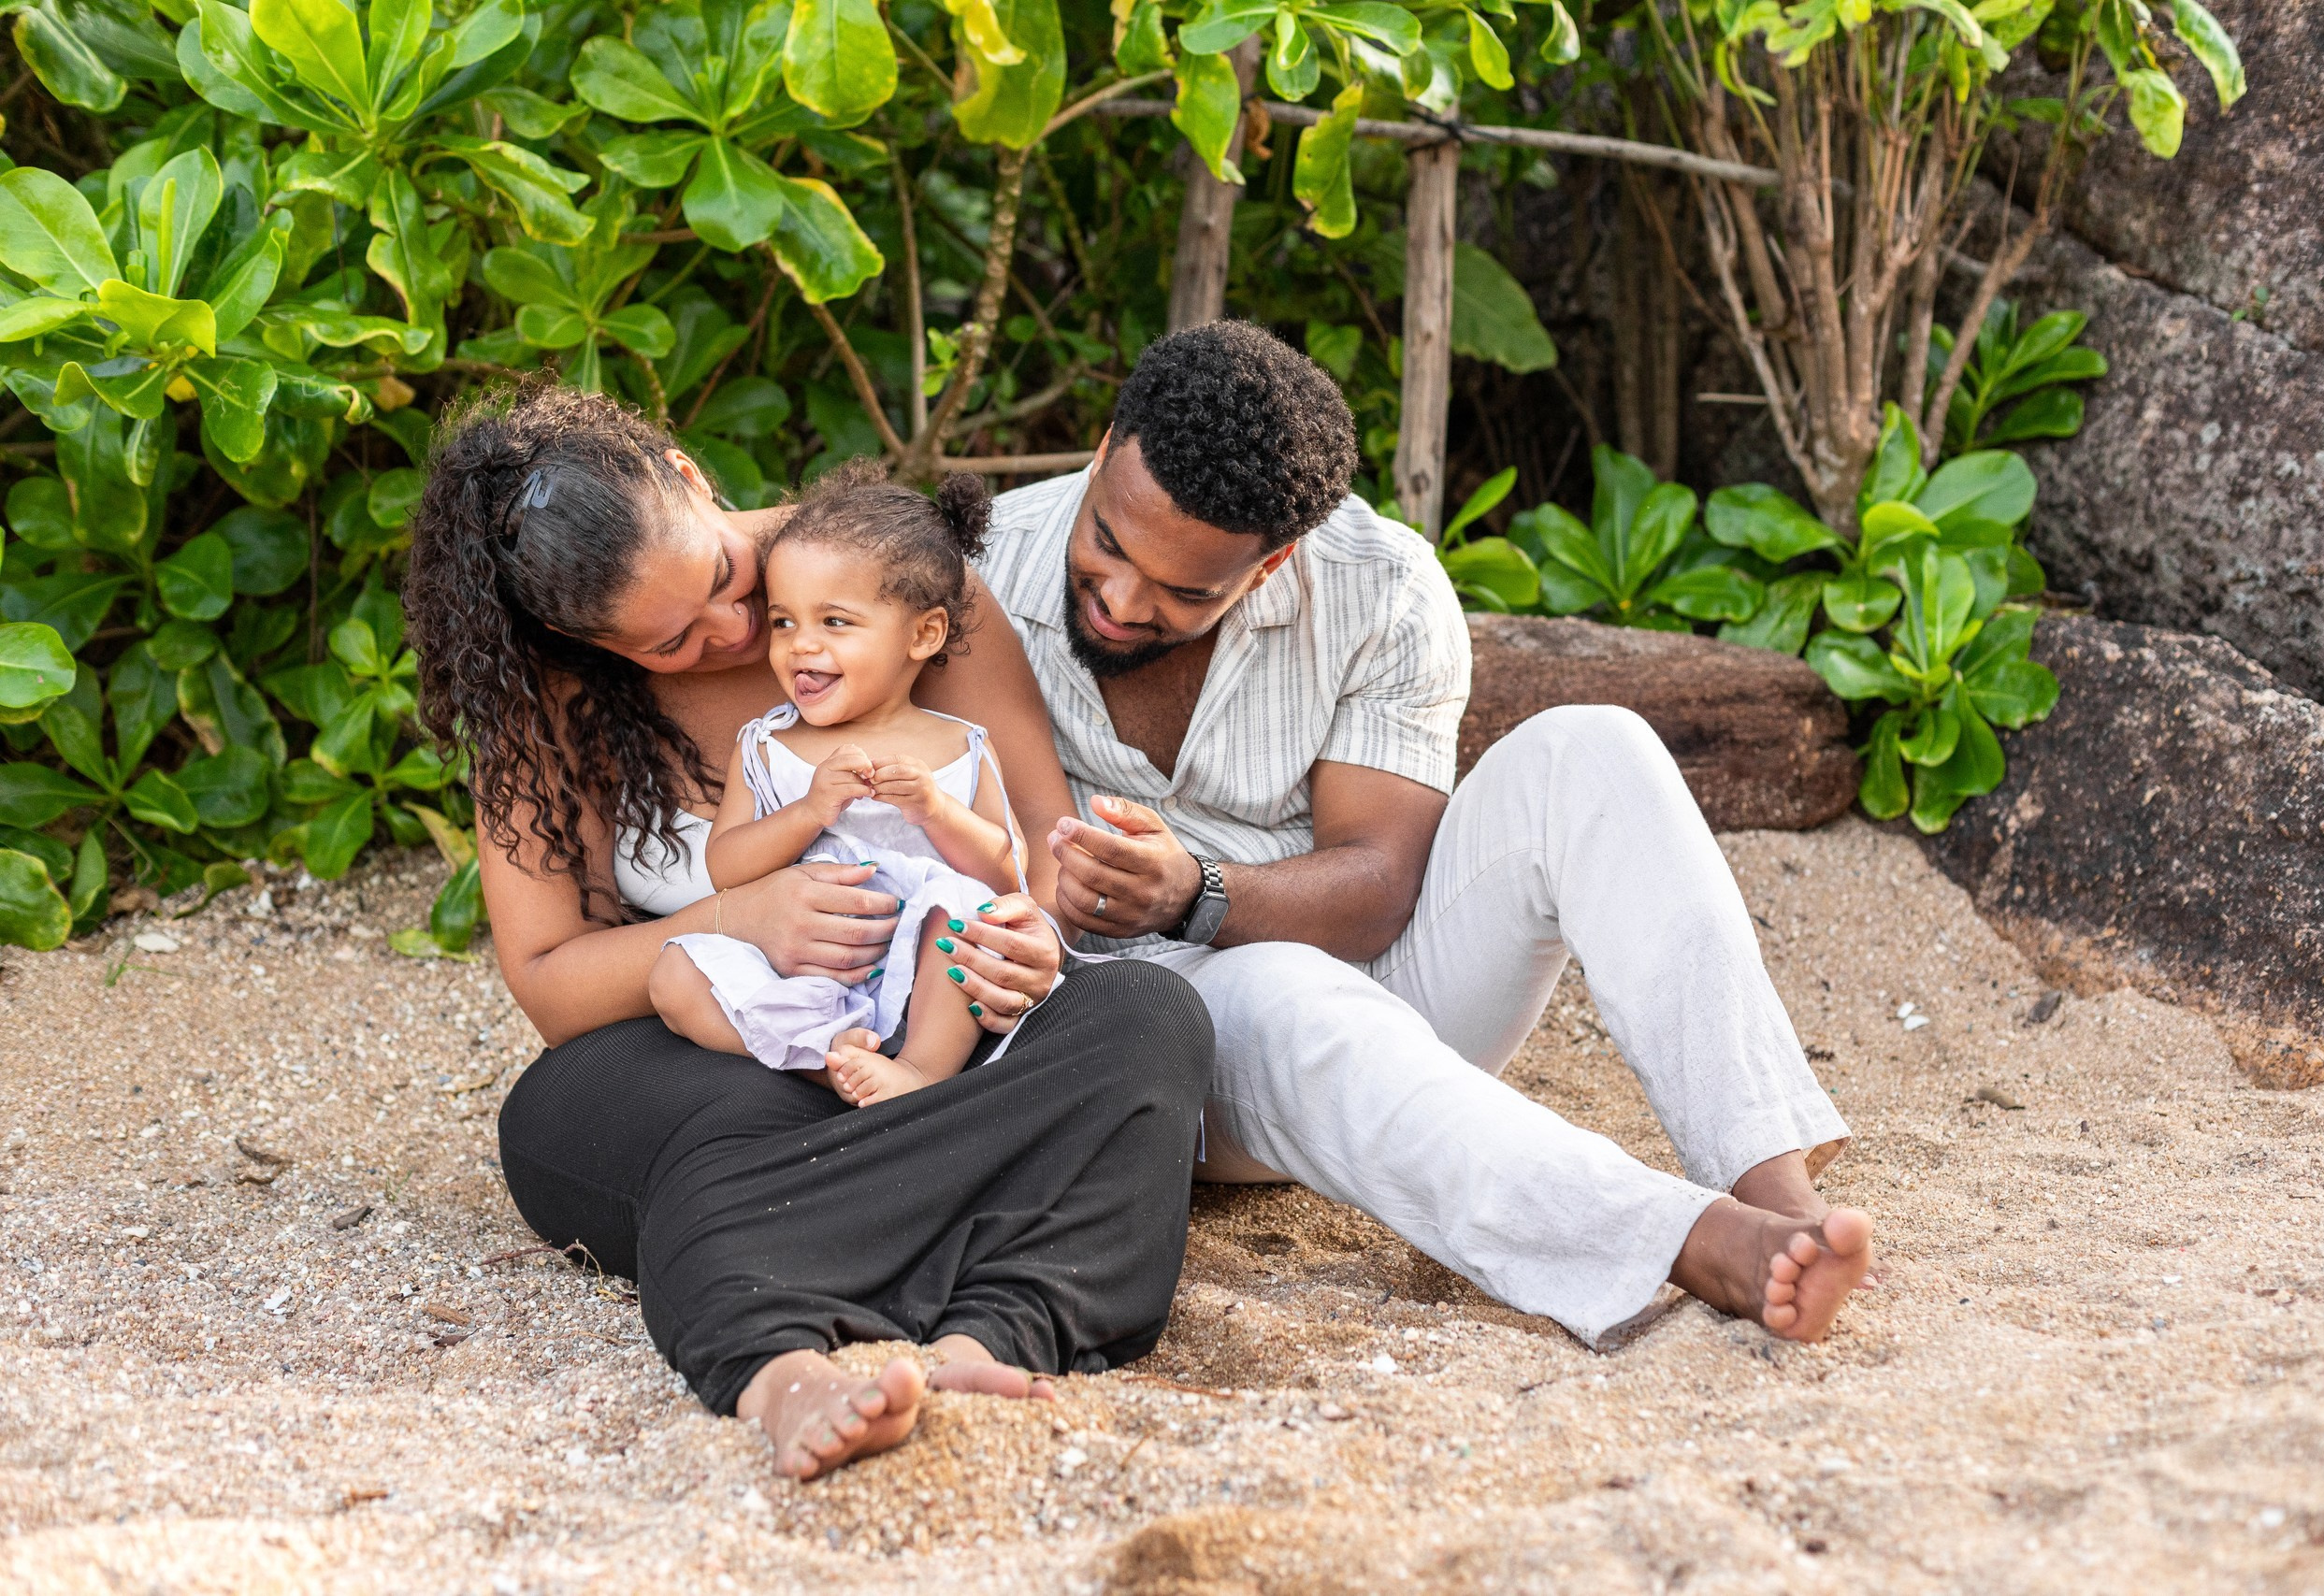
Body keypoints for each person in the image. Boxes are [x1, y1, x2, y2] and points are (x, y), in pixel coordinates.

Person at [977, 321, 1875, 1346]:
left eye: (1186, 591)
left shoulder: (1383, 586)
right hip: (1141, 1043)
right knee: (1287, 993)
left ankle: (1773, 1186)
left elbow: (1379, 885)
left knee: (1595, 748)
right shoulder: (979, 566)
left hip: (1361, 971)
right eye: (1106, 544)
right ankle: (1690, 1243)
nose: (1124, 599)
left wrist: (1195, 891)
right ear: (1099, 455)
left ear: (1270, 565)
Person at [404, 382, 1213, 1483]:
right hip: (734, 1054)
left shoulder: (883, 567)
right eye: (670, 644)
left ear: (691, 477)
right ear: (574, 638)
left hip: (932, 1031)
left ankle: (993, 1337)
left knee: (1146, 1016)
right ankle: (782, 1373)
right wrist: (739, 913)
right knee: (606, 1120)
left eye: (727, 586)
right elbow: (550, 982)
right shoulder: (547, 700)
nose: (737, 636)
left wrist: (1029, 934)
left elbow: (1033, 839)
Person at [649, 464, 1028, 1106]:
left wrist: (937, 811)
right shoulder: (768, 744)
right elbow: (725, 866)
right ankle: (830, 1061)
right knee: (672, 974)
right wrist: (808, 809)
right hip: (806, 981)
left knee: (970, 915)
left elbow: (1007, 872)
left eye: (835, 622)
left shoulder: (959, 745)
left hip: (924, 982)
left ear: (923, 633)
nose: (800, 646)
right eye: (785, 622)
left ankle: (920, 1071)